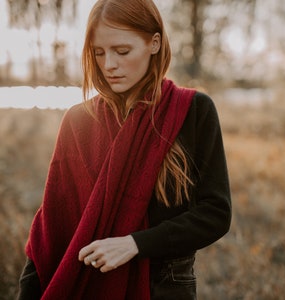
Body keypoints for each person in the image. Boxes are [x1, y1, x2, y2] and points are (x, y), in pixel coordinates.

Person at [17, 0, 231, 299]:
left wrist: (135, 243)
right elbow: (52, 223)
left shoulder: (193, 111)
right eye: (99, 53)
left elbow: (215, 213)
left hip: (166, 284)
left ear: (154, 43)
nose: (108, 65)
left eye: (122, 51)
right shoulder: (78, 121)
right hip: (86, 278)